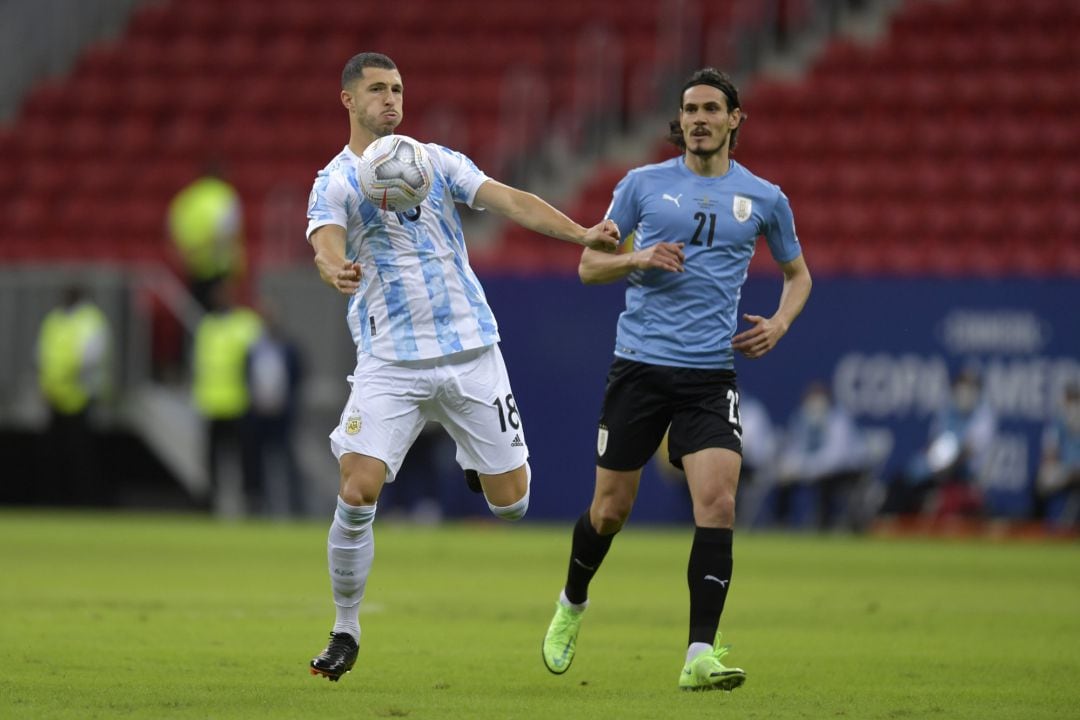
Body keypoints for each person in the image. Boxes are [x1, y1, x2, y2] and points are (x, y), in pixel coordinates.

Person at [305, 52, 618, 682]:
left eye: (397, 88)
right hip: (390, 359)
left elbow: (509, 200)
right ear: (347, 100)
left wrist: (579, 232)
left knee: (512, 504)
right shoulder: (335, 179)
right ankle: (345, 628)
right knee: (357, 488)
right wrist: (334, 267)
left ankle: (476, 464)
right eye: (376, 90)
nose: (390, 100)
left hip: (471, 349)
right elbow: (324, 238)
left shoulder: (435, 161)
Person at [540, 67, 811, 692]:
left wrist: (780, 323)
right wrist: (638, 256)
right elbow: (588, 265)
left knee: (717, 503)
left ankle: (698, 654)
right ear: (679, 120)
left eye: (711, 108)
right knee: (610, 511)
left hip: (710, 376)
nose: (698, 118)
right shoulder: (641, 186)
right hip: (639, 367)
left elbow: (800, 276)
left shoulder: (766, 199)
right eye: (690, 108)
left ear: (734, 118)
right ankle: (572, 603)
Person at [191, 281, 263, 516]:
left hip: (239, 402)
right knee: (212, 459)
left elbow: (258, 362)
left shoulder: (246, 323)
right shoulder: (206, 325)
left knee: (245, 458)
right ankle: (209, 503)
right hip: (212, 402)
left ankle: (249, 502)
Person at [35, 284, 111, 505]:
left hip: (81, 394)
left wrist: (64, 377)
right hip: (54, 394)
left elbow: (92, 356)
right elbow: (41, 355)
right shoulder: (53, 320)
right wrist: (46, 385)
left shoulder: (91, 320)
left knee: (80, 452)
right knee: (52, 452)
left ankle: (82, 499)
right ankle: (53, 499)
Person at [773, 381, 867, 531]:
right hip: (813, 468)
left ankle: (824, 526)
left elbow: (836, 456)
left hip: (845, 470)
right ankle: (782, 524)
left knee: (826, 481)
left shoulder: (838, 420)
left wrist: (809, 469)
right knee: (784, 482)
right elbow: (797, 448)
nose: (814, 403)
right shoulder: (801, 419)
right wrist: (792, 466)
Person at [246, 303, 305, 517]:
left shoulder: (288, 347)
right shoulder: (253, 348)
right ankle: (258, 506)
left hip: (282, 415)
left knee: (287, 461)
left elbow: (298, 375)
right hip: (258, 414)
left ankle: (296, 506)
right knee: (257, 463)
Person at [167, 159, 245, 312]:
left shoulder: (188, 198)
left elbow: (172, 228)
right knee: (220, 315)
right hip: (219, 267)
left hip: (193, 266)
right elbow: (229, 232)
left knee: (197, 314)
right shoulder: (225, 196)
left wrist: (186, 255)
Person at [1035, 382, 1080, 530]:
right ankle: (1039, 527)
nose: (1073, 404)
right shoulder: (1059, 420)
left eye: (1076, 399)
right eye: (1070, 399)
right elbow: (1050, 450)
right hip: (1064, 469)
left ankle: (1069, 525)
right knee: (1042, 480)